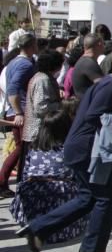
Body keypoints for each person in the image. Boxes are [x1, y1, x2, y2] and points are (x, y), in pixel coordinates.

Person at [17, 45, 112, 252]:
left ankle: (40, 229)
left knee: (88, 198)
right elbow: (94, 115)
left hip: (81, 147)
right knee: (107, 196)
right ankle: (93, 248)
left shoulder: (107, 82)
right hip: (89, 149)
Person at [10, 101, 88, 243]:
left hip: (31, 191)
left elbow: (26, 172)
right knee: (84, 195)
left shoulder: (34, 147)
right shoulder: (68, 148)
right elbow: (75, 174)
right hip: (60, 191)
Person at [1, 33, 38, 198]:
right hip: (21, 112)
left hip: (17, 110)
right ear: (31, 46)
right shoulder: (24, 65)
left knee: (22, 149)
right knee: (22, 149)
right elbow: (13, 89)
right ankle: (3, 182)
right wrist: (18, 112)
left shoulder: (14, 62)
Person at [21, 50, 63, 178]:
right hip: (38, 133)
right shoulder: (42, 80)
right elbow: (41, 107)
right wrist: (61, 105)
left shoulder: (42, 77)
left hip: (38, 132)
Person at [71, 33, 106, 99]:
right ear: (99, 44)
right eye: (103, 44)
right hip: (86, 104)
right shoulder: (89, 63)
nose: (104, 46)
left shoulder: (85, 61)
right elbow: (103, 86)